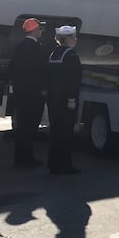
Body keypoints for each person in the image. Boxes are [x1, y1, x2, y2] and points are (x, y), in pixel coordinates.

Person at [9, 17, 48, 167]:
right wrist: (43, 88)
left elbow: (13, 69)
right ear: (34, 30)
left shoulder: (19, 47)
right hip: (33, 94)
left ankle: (21, 157)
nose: (41, 32)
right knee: (30, 127)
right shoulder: (36, 48)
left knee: (22, 126)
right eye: (39, 29)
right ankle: (26, 158)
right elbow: (41, 70)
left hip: (21, 93)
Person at [46, 26, 82, 175]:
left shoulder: (54, 54)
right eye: (73, 37)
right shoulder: (71, 55)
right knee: (66, 134)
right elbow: (72, 79)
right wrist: (72, 98)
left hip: (53, 99)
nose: (75, 39)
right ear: (67, 39)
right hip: (66, 100)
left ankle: (53, 163)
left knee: (55, 132)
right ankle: (65, 165)